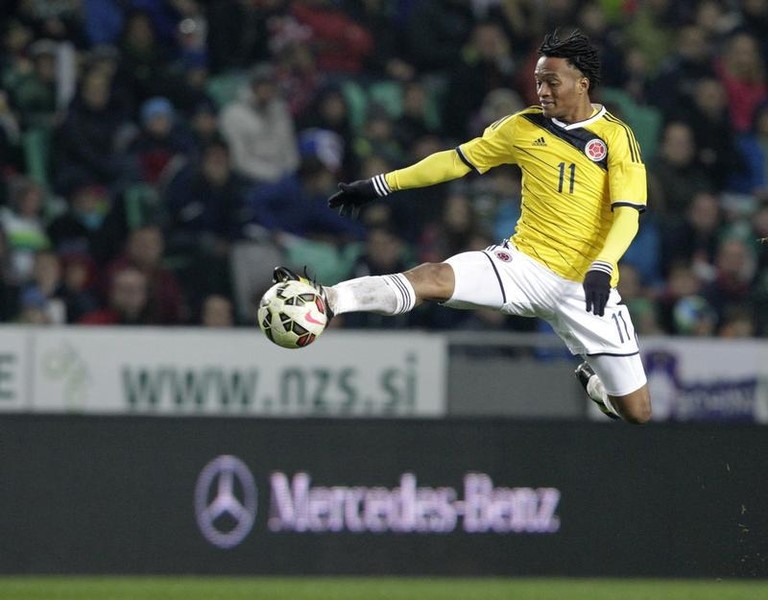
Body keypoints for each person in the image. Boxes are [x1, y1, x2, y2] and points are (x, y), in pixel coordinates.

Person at [273, 29, 653, 423]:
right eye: (538, 81)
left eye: (552, 82)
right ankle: (330, 300)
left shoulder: (616, 138)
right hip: (522, 264)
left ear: (583, 83)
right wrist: (380, 184)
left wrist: (603, 265)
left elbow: (628, 213)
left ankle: (596, 386)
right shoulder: (523, 127)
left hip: (586, 288)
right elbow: (455, 161)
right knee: (432, 277)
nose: (541, 91)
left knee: (637, 413)